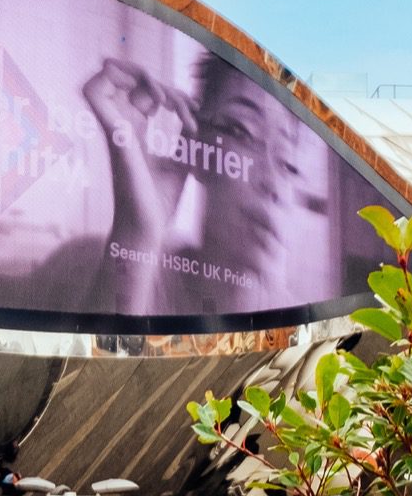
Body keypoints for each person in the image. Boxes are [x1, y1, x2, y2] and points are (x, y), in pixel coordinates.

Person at [78, 54, 345, 320]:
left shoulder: (309, 327)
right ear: (196, 142)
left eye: (289, 164)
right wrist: (135, 234)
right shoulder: (83, 262)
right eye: (243, 131)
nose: (274, 184)